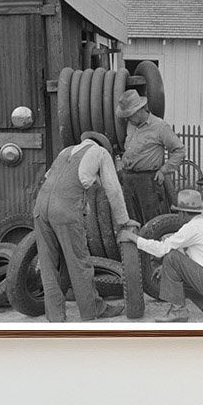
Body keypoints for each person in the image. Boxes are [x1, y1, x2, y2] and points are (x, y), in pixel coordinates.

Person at [33, 131, 132, 322]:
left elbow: (49, 178)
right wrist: (123, 220)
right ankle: (92, 310)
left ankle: (55, 317)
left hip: (40, 206)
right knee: (79, 262)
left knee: (48, 265)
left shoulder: (65, 152)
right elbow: (113, 189)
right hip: (65, 209)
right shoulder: (99, 153)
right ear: (103, 145)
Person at [127, 189, 203, 322]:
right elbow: (195, 258)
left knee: (171, 257)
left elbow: (162, 249)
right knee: (175, 264)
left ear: (183, 213)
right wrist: (166, 269)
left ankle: (177, 310)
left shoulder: (191, 228)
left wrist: (134, 238)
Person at [116, 89, 185, 224]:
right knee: (132, 220)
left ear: (139, 110)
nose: (127, 118)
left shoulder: (160, 126)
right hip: (129, 181)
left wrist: (164, 170)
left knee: (153, 222)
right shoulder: (131, 125)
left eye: (129, 114)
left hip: (149, 182)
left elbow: (179, 150)